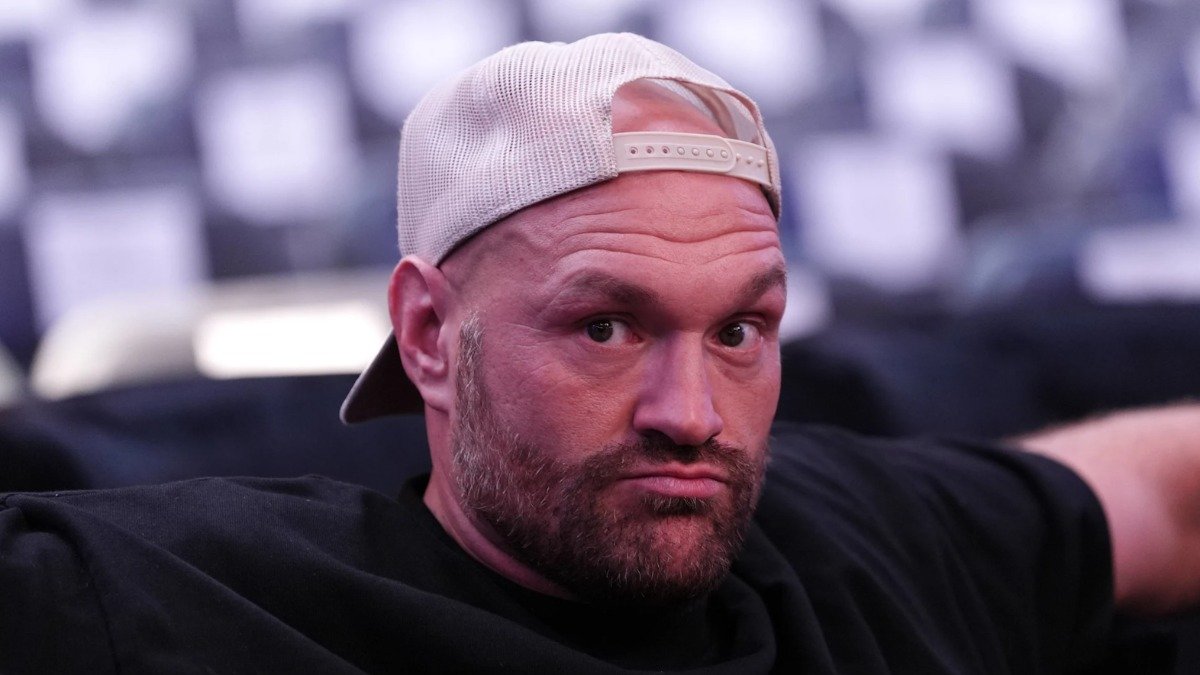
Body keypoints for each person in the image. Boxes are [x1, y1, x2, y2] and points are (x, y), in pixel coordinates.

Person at [2, 32, 1199, 673]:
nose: (693, 413)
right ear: (428, 335)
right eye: (606, 328)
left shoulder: (867, 544)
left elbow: (1163, 498)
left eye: (739, 331)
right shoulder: (192, 601)